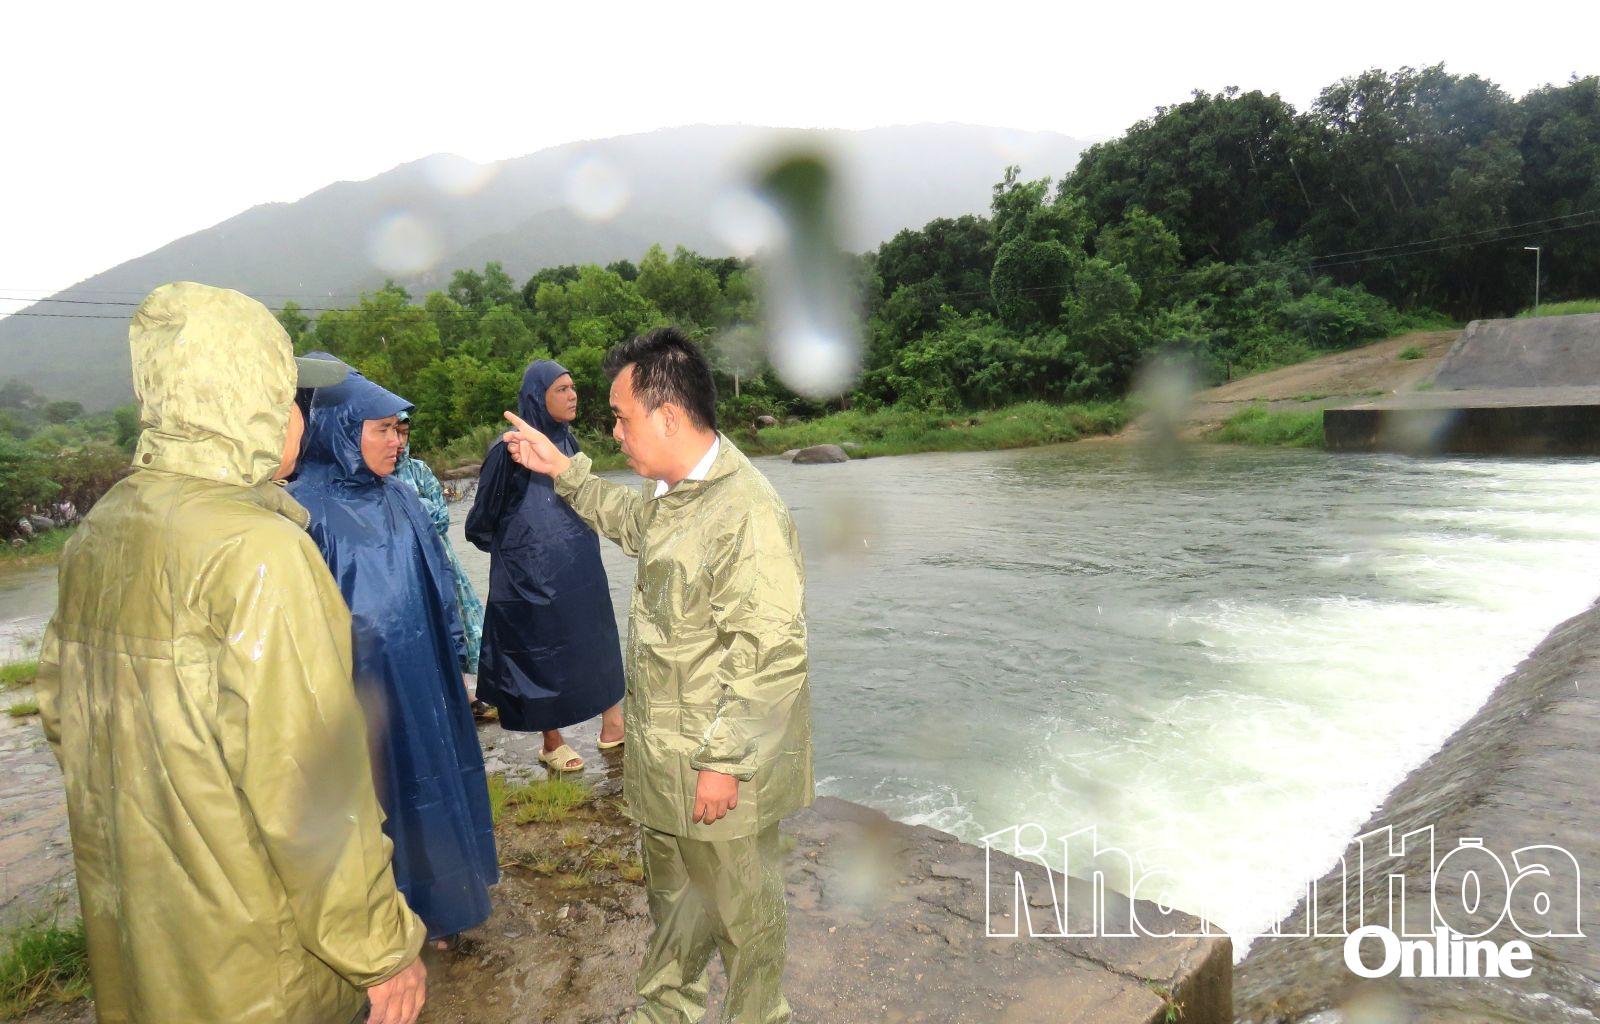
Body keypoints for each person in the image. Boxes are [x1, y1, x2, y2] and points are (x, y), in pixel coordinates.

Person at [35, 282, 428, 1024]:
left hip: (147, 940)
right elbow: (310, 786)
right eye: (286, 395)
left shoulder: (102, 531)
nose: (300, 417)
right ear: (243, 402)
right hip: (260, 960)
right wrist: (378, 948)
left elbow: (65, 721)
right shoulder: (258, 555)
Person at [500, 327, 813, 1024]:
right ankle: (665, 1009)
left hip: (718, 770)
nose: (613, 431)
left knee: (743, 916)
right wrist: (562, 468)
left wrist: (724, 763)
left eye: (621, 417)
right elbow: (625, 518)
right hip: (666, 761)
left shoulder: (746, 511)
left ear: (668, 416)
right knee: (674, 904)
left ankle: (760, 1016)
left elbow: (773, 651)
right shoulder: (677, 498)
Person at [289, 360, 499, 947]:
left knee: (433, 784)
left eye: (399, 430)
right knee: (374, 804)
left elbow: (440, 585)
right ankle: (379, 928)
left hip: (424, 675)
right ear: (338, 429)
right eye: (382, 429)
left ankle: (443, 907)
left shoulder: (403, 497)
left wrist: (459, 663)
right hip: (361, 691)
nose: (396, 441)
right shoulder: (304, 513)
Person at [466, 359, 625, 771]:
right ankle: (551, 741)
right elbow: (482, 520)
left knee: (597, 636)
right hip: (530, 570)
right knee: (540, 650)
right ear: (538, 397)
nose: (572, 395)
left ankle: (614, 721)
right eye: (561, 389)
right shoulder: (508, 449)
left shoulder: (569, 444)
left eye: (574, 388)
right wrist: (522, 553)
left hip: (581, 564)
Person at [393, 411, 489, 716]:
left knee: (455, 624)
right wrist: (417, 508)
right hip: (403, 569)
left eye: (404, 432)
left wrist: (405, 505)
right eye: (392, 431)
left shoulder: (420, 471)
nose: (399, 441)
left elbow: (441, 518)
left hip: (440, 561)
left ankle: (465, 692)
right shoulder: (373, 474)